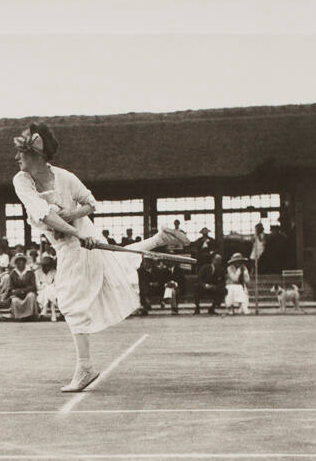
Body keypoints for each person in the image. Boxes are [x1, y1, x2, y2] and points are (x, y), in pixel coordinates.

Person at [12, 122, 186, 391]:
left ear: (37, 155)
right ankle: (159, 239)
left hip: (83, 239)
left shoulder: (66, 177)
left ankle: (85, 368)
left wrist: (76, 220)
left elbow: (91, 203)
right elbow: (43, 213)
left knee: (70, 301)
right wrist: (73, 230)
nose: (17, 158)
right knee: (114, 265)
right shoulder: (21, 181)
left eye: (22, 153)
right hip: (71, 242)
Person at [9, 253, 39, 320]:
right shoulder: (12, 273)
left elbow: (33, 286)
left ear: (25, 262)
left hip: (28, 292)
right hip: (17, 294)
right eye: (18, 261)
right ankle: (19, 316)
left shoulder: (30, 273)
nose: (20, 263)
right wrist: (16, 291)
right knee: (14, 300)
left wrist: (24, 290)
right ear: (16, 263)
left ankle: (30, 316)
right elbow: (11, 287)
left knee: (31, 296)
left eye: (22, 260)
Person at [35, 255, 59, 321]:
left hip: (53, 290)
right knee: (48, 289)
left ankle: (44, 310)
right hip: (41, 291)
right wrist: (45, 286)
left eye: (47, 265)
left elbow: (56, 284)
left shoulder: (54, 272)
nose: (45, 267)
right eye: (44, 265)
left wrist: (48, 286)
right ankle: (53, 313)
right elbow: (37, 285)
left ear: (50, 265)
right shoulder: (37, 272)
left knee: (49, 289)